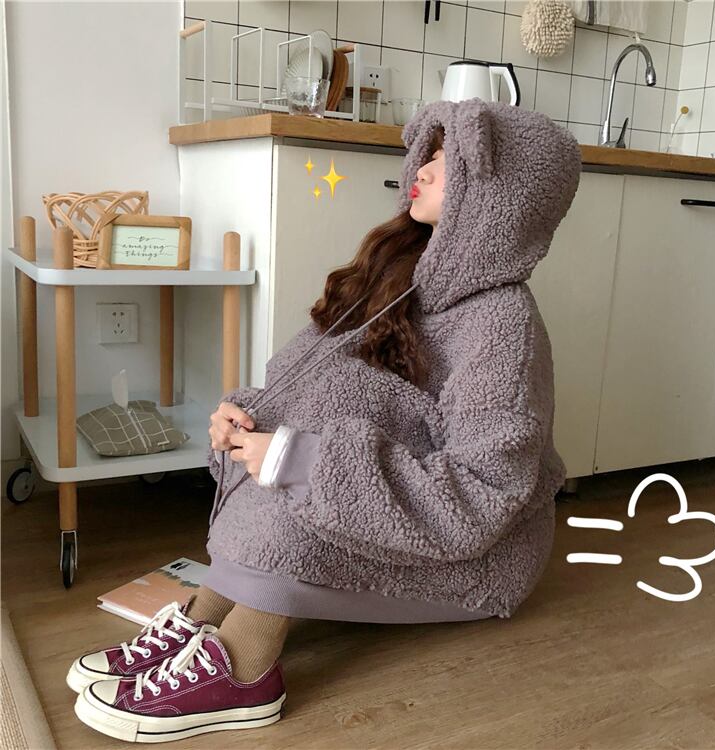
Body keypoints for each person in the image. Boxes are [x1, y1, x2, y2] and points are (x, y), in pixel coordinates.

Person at [68, 97, 582, 743]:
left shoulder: (504, 328)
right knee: (318, 426)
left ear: (501, 197)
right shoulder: (394, 276)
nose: (421, 168)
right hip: (400, 514)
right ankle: (206, 617)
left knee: (318, 454)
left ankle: (246, 670)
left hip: (480, 560)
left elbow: (481, 496)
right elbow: (300, 386)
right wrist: (247, 419)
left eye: (448, 160)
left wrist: (305, 462)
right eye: (426, 152)